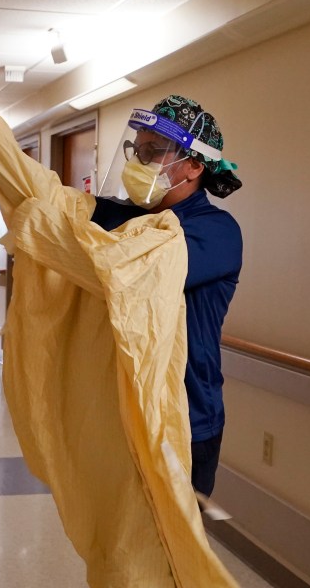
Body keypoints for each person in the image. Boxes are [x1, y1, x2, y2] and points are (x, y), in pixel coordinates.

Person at [91, 95, 244, 496]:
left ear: (194, 165)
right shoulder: (128, 217)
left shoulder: (216, 232)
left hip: (186, 418)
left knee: (169, 551)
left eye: (153, 152)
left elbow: (132, 271)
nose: (138, 164)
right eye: (136, 151)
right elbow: (62, 211)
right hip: (122, 411)